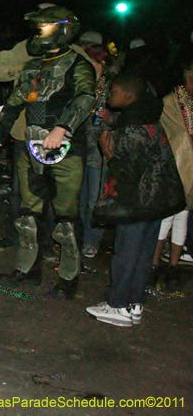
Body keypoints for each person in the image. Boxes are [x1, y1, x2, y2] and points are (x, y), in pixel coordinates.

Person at [0, 6, 96, 299]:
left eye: (43, 26)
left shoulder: (78, 64)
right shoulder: (33, 66)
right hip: (31, 147)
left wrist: (63, 127)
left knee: (66, 218)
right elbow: (13, 103)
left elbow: (86, 97)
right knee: (28, 215)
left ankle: (68, 278)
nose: (37, 32)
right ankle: (27, 270)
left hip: (66, 151)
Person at [85, 73, 186, 326]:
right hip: (156, 201)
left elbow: (127, 172)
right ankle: (134, 303)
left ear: (129, 96)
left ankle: (117, 305)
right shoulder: (147, 117)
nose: (110, 95)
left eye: (114, 91)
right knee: (143, 254)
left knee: (127, 254)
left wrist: (107, 150)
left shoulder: (132, 130)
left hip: (136, 203)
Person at [149, 57, 193, 290]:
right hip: (175, 166)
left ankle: (171, 266)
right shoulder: (172, 101)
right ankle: (155, 265)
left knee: (180, 217)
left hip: (188, 168)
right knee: (167, 217)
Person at [79, 44, 114, 258]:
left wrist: (111, 116)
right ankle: (78, 236)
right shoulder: (81, 81)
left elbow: (122, 116)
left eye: (92, 61)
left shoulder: (112, 86)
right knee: (78, 197)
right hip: (78, 144)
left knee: (94, 199)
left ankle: (92, 240)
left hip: (98, 149)